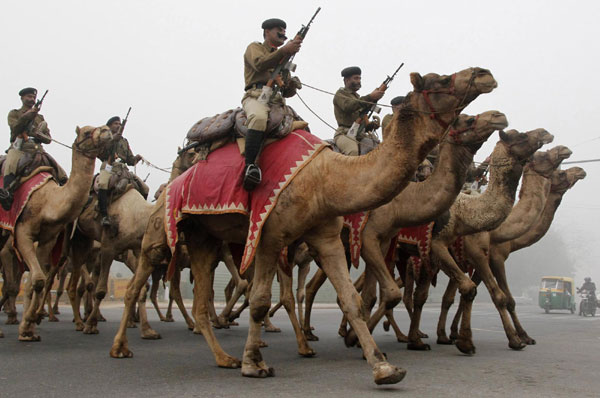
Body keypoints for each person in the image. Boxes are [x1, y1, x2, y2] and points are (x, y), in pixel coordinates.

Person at [241, 18, 303, 191]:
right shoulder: (255, 48)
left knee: (301, 127)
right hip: (256, 96)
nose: (283, 32)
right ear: (267, 32)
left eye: (284, 30)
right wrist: (284, 51)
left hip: (276, 100)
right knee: (259, 118)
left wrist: (291, 85)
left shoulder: (283, 58)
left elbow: (286, 92)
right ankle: (250, 167)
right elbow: (260, 64)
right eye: (279, 29)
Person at [0, 87, 52, 210]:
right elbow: (15, 128)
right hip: (19, 147)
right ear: (22, 98)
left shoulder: (40, 118)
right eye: (29, 97)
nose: (32, 99)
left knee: (57, 168)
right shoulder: (14, 113)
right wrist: (29, 115)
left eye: (33, 97)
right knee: (11, 165)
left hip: (37, 149)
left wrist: (39, 135)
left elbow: (49, 139)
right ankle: (6, 194)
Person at [97, 116, 142, 226]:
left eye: (119, 124)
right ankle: (103, 215)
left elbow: (130, 160)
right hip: (109, 166)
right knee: (103, 184)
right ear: (110, 126)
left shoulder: (124, 141)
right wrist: (112, 140)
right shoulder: (105, 138)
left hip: (123, 169)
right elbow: (100, 153)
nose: (118, 125)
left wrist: (136, 158)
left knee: (143, 187)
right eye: (115, 123)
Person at [333, 67, 385, 156]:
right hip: (344, 133)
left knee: (381, 151)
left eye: (359, 78)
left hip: (360, 134)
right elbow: (349, 107)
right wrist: (370, 97)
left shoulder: (357, 97)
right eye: (356, 78)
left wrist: (371, 125)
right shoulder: (340, 94)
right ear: (347, 80)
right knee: (353, 152)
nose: (359, 81)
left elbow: (361, 121)